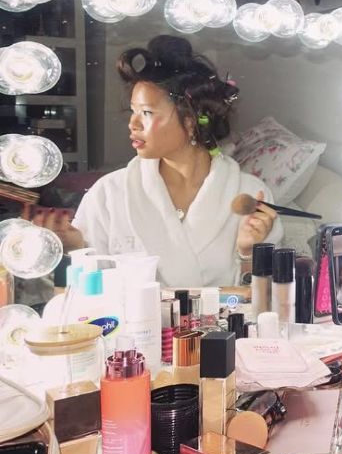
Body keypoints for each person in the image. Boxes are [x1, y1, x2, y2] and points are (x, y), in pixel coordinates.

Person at [37, 35, 282, 287]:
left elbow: (270, 302)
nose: (133, 123)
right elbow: (82, 297)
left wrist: (248, 253)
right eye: (133, 111)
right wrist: (74, 248)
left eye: (146, 112)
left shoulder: (250, 195)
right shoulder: (109, 193)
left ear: (191, 121)